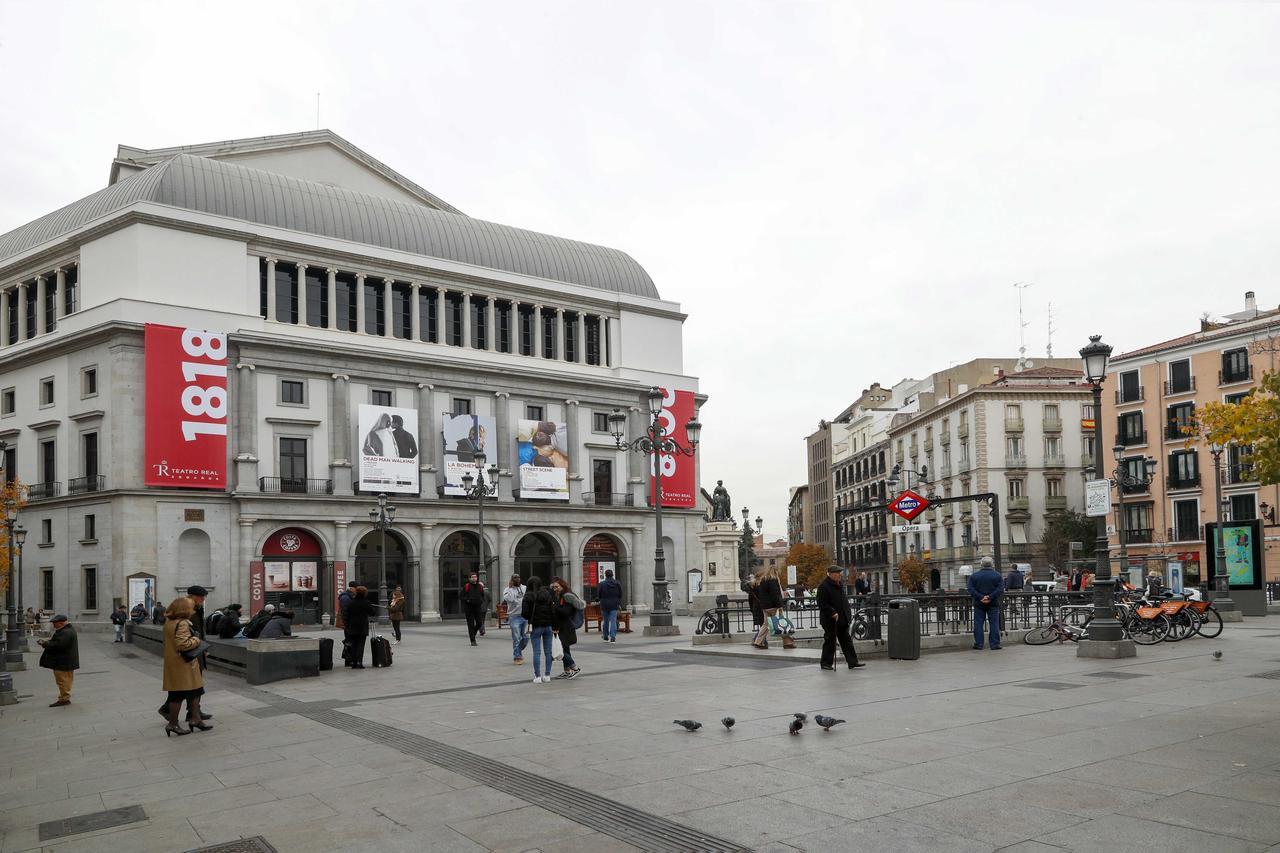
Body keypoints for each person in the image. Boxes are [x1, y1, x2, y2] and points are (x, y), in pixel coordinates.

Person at [156, 586, 214, 724]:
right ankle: (174, 712)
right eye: (201, 597)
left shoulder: (190, 611)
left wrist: (202, 647)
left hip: (193, 651)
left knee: (191, 686)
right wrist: (198, 642)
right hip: (188, 654)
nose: (203, 600)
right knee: (188, 686)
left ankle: (194, 713)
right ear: (193, 596)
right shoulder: (186, 612)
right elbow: (188, 636)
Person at [817, 566, 864, 671]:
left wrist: (847, 614)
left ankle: (852, 662)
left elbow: (843, 601)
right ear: (831, 574)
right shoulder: (824, 586)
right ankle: (826, 663)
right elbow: (822, 603)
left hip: (842, 619)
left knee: (846, 640)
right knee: (830, 641)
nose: (840, 575)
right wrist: (832, 612)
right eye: (838, 573)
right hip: (830, 620)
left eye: (840, 573)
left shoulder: (839, 584)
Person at [38, 614, 79, 707]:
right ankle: (64, 697)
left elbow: (58, 645)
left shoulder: (66, 632)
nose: (53, 625)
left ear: (61, 623)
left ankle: (64, 699)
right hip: (64, 661)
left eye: (55, 623)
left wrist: (45, 643)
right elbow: (58, 643)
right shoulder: (66, 630)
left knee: (62, 681)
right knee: (65, 680)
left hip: (63, 662)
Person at [521, 577, 555, 684]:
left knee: (537, 652)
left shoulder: (528, 596)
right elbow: (552, 610)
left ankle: (538, 676)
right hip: (548, 625)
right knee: (548, 652)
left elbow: (525, 613)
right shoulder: (547, 594)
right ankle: (547, 675)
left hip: (536, 626)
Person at [550, 576, 584, 679]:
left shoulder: (566, 596)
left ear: (562, 585)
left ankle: (575, 668)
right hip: (562, 626)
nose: (555, 589)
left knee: (561, 650)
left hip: (566, 626)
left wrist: (554, 606)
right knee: (565, 648)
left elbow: (566, 612)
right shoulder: (559, 596)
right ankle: (567, 671)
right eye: (553, 587)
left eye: (557, 587)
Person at [752, 566, 794, 650]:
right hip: (773, 606)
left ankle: (758, 642)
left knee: (766, 624)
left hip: (765, 607)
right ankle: (787, 643)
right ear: (775, 572)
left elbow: (761, 594)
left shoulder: (763, 580)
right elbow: (775, 595)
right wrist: (780, 606)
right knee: (782, 623)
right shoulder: (773, 580)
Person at [968, 556, 1004, 650]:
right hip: (993, 602)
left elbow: (970, 589)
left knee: (978, 624)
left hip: (979, 603)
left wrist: (981, 597)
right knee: (994, 623)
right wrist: (990, 597)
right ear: (992, 564)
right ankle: (995, 644)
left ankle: (979, 644)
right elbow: (1000, 589)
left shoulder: (974, 576)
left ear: (981, 564)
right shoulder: (997, 575)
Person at [344, 586, 376, 668]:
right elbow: (373, 613)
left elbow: (346, 615)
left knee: (354, 645)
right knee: (360, 645)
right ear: (365, 593)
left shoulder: (351, 602)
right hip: (362, 626)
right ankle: (359, 662)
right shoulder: (366, 602)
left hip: (352, 626)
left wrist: (347, 625)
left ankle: (354, 663)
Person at [502, 575, 528, 664]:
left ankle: (518, 651)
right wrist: (510, 588)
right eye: (515, 578)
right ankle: (517, 657)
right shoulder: (507, 590)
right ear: (511, 580)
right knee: (517, 638)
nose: (517, 579)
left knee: (525, 637)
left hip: (525, 615)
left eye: (518, 577)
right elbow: (510, 599)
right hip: (514, 616)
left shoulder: (524, 588)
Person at [597, 569, 623, 644]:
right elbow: (620, 594)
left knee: (606, 621)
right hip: (614, 604)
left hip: (604, 604)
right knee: (613, 621)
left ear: (605, 575)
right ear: (612, 575)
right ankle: (613, 637)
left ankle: (605, 636)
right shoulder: (617, 583)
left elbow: (599, 595)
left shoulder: (602, 584)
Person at [461, 572, 486, 646]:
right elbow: (461, 596)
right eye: (472, 577)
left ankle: (473, 633)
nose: (474, 578)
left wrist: (481, 601)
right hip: (469, 608)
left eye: (475, 577)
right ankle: (473, 640)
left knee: (479, 623)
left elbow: (482, 596)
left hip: (477, 607)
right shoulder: (467, 586)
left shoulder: (480, 587)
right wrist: (467, 599)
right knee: (470, 624)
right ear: (469, 578)